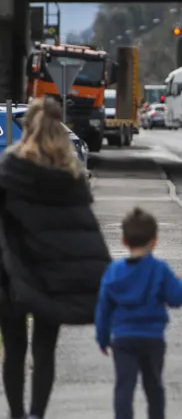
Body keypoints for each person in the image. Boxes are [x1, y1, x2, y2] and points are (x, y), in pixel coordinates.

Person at [0, 97, 111, 419]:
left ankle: (17, 414)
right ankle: (37, 414)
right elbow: (85, 233)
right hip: (52, 278)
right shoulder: (70, 177)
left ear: (28, 128)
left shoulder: (10, 170)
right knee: (44, 349)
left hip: (11, 273)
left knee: (14, 349)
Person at [95, 207, 182, 419]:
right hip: (152, 338)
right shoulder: (159, 269)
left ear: (124, 241)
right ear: (154, 241)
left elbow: (103, 308)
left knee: (124, 386)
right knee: (154, 386)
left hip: (123, 339)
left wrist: (102, 338)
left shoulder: (114, 271)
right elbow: (176, 298)